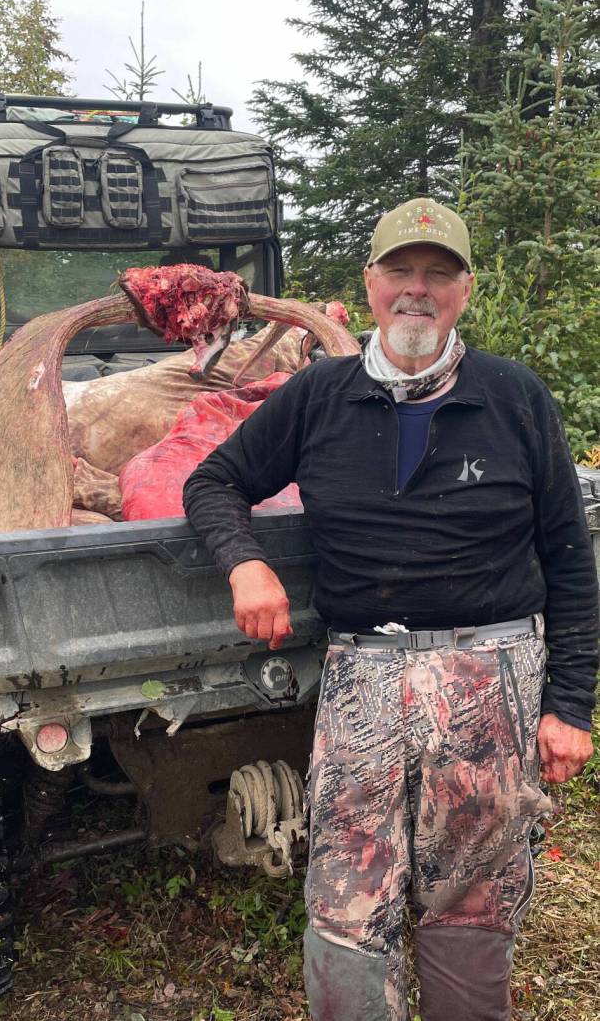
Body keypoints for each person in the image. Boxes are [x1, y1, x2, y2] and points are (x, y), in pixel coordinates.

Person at [182, 198, 598, 1021]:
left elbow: (572, 564)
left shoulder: (515, 399)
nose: (417, 290)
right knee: (345, 893)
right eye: (400, 271)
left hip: (491, 681)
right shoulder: (319, 394)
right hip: (362, 678)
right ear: (370, 284)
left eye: (437, 274)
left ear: (465, 290)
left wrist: (571, 705)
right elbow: (212, 481)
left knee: (473, 897)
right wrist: (246, 564)